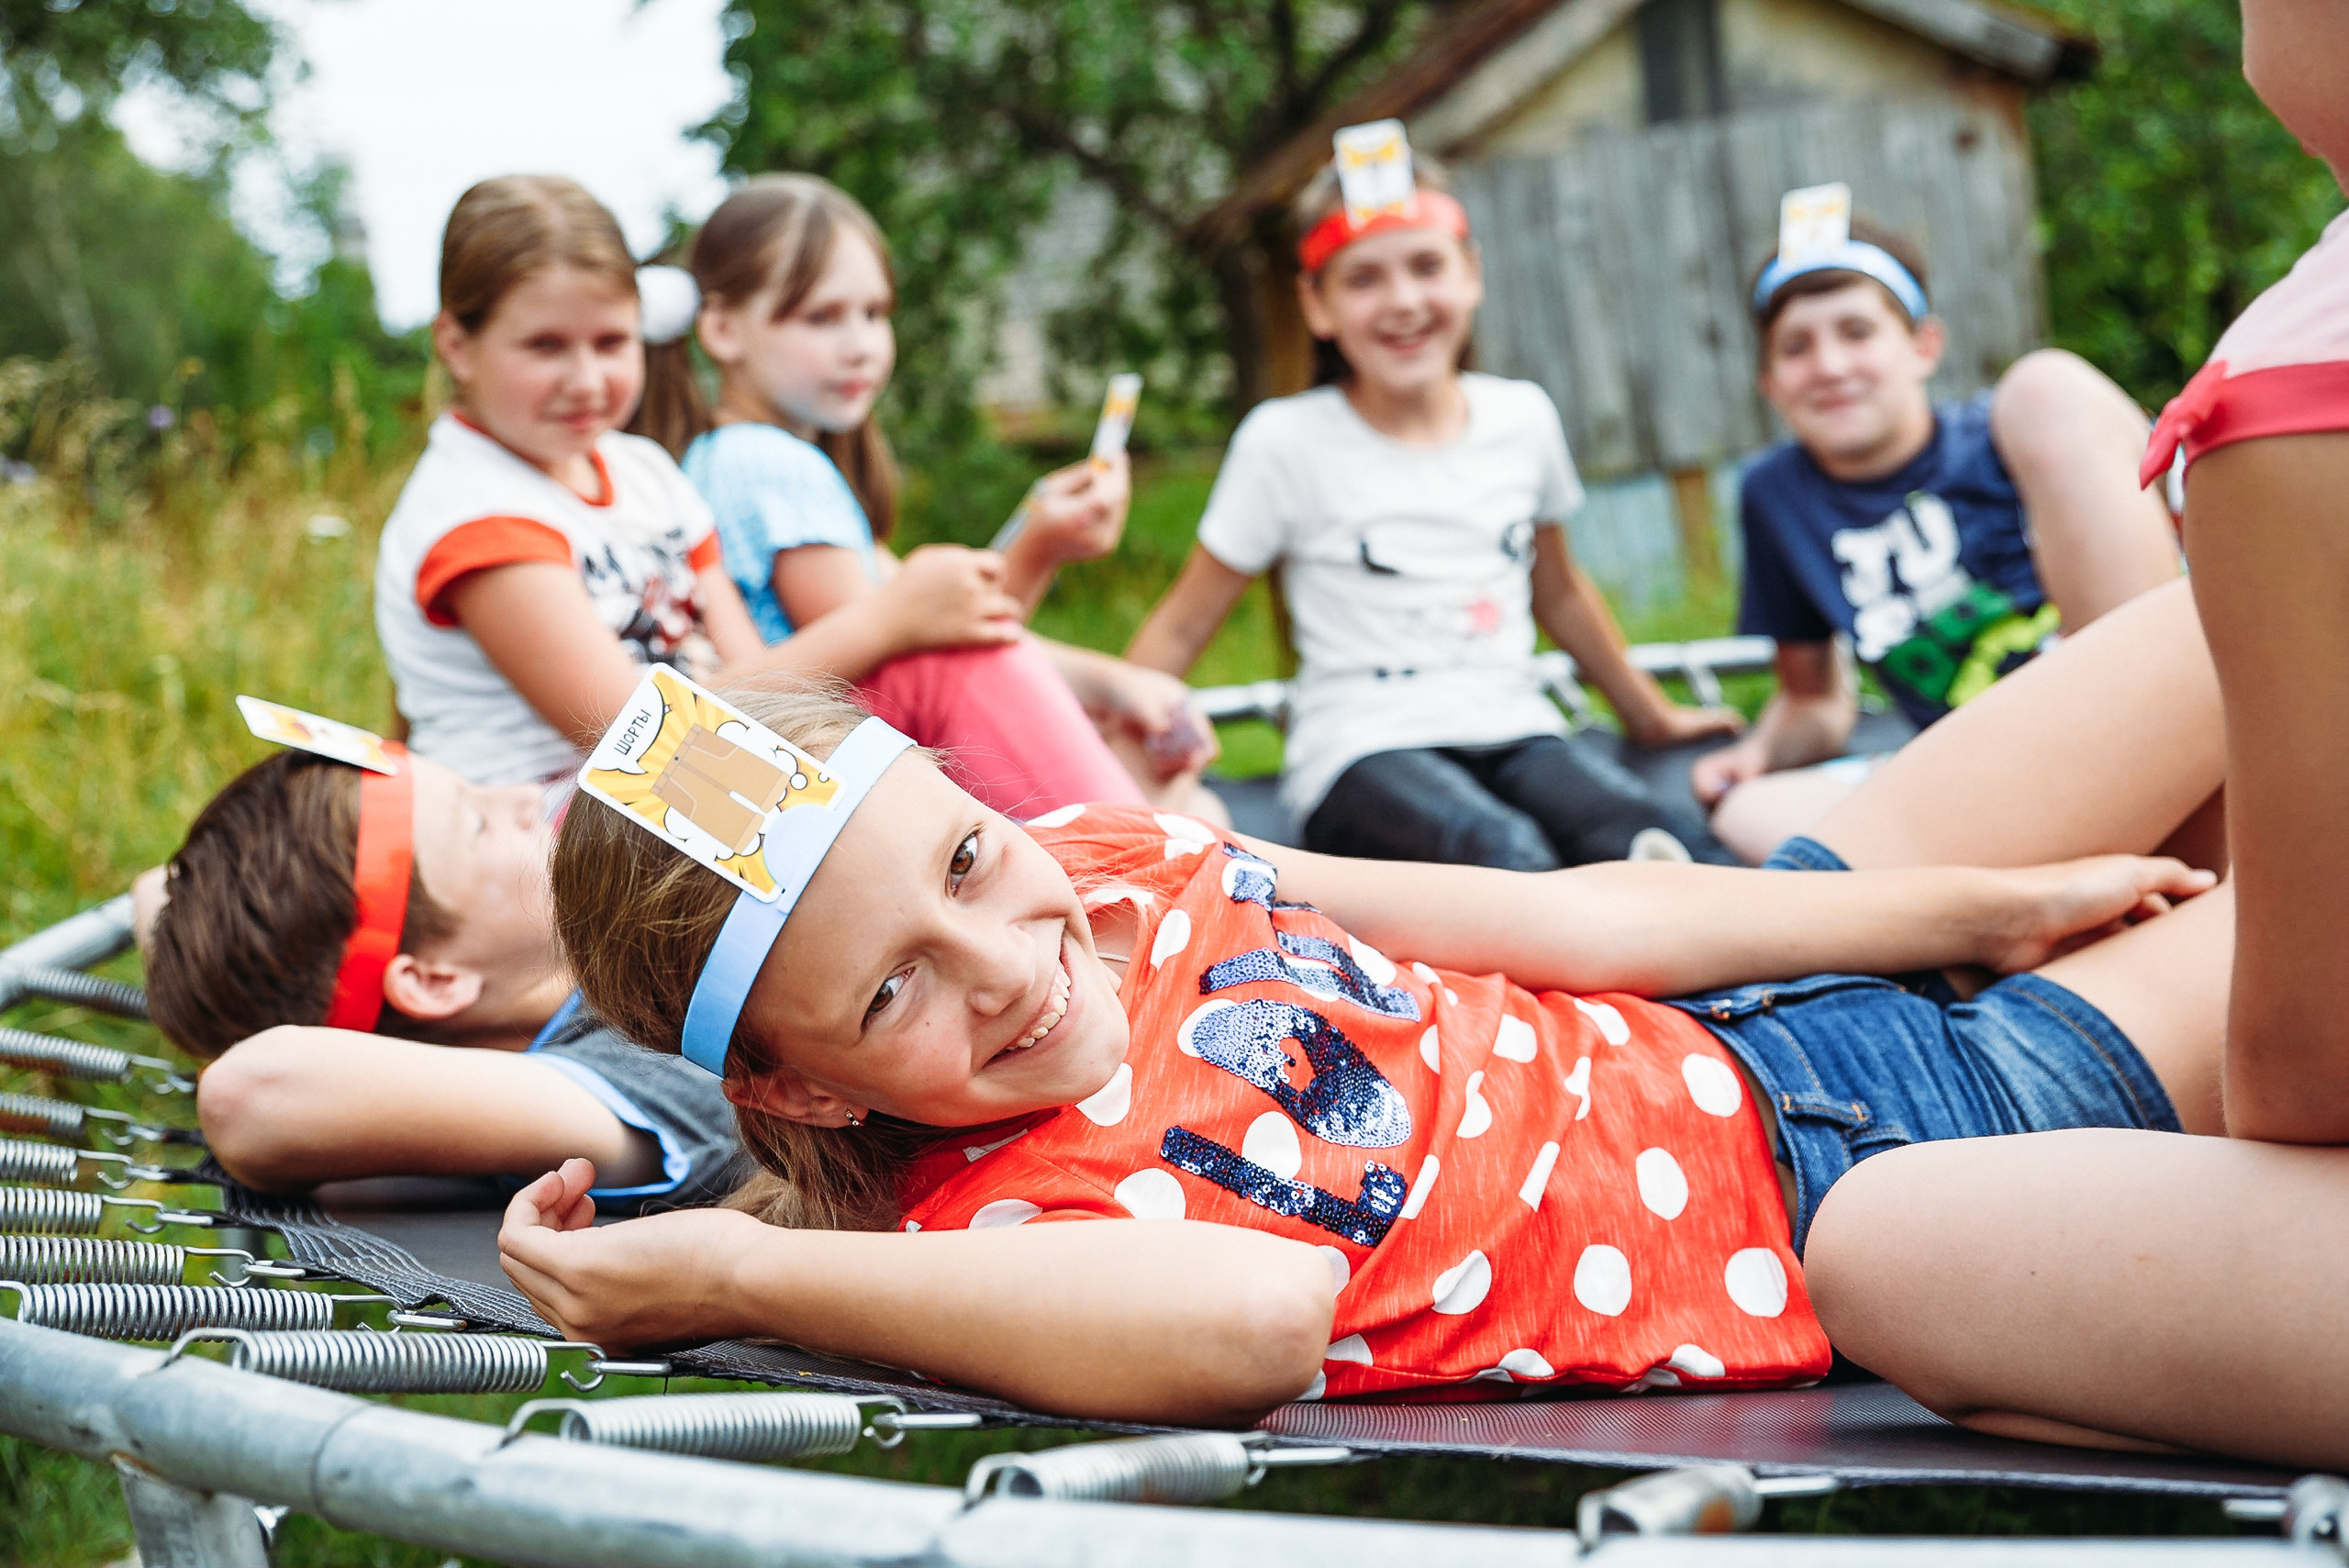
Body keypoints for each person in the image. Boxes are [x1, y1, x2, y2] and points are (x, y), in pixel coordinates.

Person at [490, 643, 2221, 1426]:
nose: (1009, 960)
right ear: (793, 1080)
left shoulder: (1112, 856)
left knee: (2244, 595)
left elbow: (1574, 917)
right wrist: (724, 1272)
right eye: (891, 991)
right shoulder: (995, 1234)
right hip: (1897, 1149)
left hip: (1751, 983)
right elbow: (1260, 1310)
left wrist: (1983, 907)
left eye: (964, 854)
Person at [1799, 0, 2349, 1471]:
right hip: (1858, 938)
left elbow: (2313, 1081)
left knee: (1887, 1239)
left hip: (1885, 1056)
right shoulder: (1783, 503)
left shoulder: (2296, 386)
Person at [375, 173, 1145, 821]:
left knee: (935, 686)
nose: (586, 379)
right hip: (584, 831)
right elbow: (638, 736)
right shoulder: (475, 512)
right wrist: (888, 617)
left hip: (712, 784)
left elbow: (761, 677)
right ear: (456, 345)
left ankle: (1148, 876)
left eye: (611, 343)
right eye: (545, 346)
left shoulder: (645, 473)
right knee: (927, 676)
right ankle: (1146, 887)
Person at [1127, 142, 1742, 870]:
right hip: (1360, 749)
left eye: (1426, 267)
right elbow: (1183, 623)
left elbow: (1562, 593)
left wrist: (1652, 715)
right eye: (1364, 279)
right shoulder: (1285, 442)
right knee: (1505, 853)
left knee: (1653, 842)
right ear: (1316, 305)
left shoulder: (1521, 419)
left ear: (1471, 273)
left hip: (1513, 725)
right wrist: (1104, 766)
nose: (1404, 302)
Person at [636, 173, 1222, 818]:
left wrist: (1106, 666)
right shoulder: (771, 466)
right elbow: (931, 659)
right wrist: (1039, 550)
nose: (860, 345)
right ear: (721, 329)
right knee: (1182, 821)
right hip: (859, 793)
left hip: (856, 779)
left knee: (1187, 807)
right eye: (822, 317)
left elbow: (937, 621)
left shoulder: (732, 459)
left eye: (874, 313)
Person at [1689, 217, 2182, 862]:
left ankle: (2160, 770)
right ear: (1770, 381)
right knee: (1751, 812)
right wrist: (1755, 754)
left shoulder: (2012, 433)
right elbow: (1813, 699)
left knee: (2047, 382)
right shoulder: (1774, 495)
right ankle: (2013, 893)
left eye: (1857, 332)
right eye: (1796, 347)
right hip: (1981, 780)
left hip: (2116, 726)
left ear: (1924, 346)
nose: (1830, 366)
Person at [140, 745, 740, 1210]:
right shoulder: (615, 1080)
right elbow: (248, 1095)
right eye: (478, 824)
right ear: (432, 980)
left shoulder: (615, 942)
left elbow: (148, 892)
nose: (523, 797)